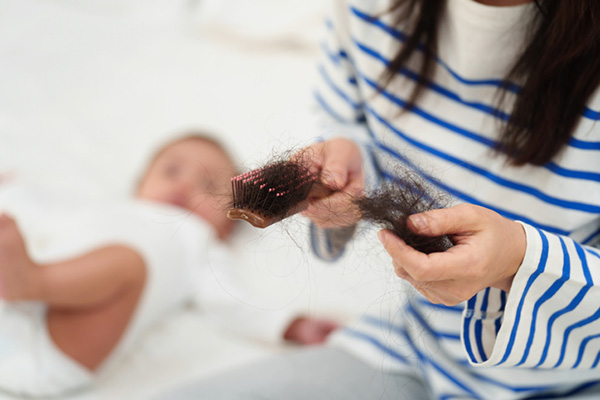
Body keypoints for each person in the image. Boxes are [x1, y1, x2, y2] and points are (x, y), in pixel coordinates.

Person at [156, 0, 600, 399]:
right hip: (411, 353)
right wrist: (349, 166)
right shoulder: (370, 9)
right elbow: (349, 124)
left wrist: (519, 263)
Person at [0, 133, 338, 398]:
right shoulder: (107, 210)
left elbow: (233, 302)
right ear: (140, 182)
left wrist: (289, 325)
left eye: (208, 186)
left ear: (230, 221)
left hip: (56, 348)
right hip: (9, 324)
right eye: (171, 170)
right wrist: (14, 189)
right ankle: (28, 280)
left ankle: (31, 280)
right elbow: (45, 211)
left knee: (128, 264)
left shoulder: (200, 243)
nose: (184, 185)